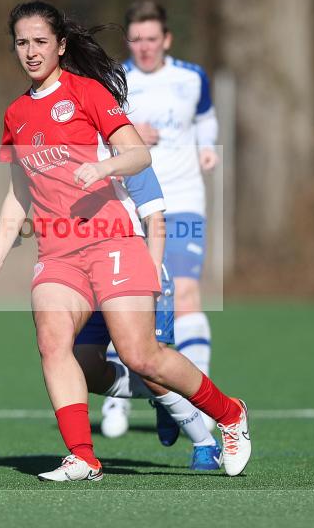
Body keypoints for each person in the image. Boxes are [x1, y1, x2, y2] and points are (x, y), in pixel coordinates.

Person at [0, 0, 250, 482]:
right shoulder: (16, 113)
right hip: (57, 252)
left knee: (141, 356)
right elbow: (20, 190)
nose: (31, 52)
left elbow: (138, 156)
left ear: (60, 45)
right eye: (22, 43)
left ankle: (229, 415)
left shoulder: (89, 93)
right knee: (52, 342)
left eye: (41, 42)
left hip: (113, 241)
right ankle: (83, 455)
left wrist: (102, 166)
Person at [100, 1, 221, 442]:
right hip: (133, 204)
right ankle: (120, 400)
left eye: (152, 39)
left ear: (166, 39)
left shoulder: (192, 77)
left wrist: (208, 146)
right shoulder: (116, 81)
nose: (145, 47)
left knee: (186, 294)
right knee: (126, 303)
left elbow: (206, 119)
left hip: (185, 201)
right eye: (137, 39)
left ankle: (199, 402)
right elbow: (100, 134)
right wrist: (133, 135)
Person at [73, 165, 223, 471]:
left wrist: (152, 273)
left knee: (149, 363)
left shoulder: (128, 156)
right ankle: (170, 394)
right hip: (91, 273)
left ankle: (205, 443)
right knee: (83, 367)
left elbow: (155, 217)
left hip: (135, 271)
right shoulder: (65, 158)